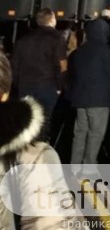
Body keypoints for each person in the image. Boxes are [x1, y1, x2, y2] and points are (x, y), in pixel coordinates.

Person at [0, 51, 76, 229]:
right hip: (46, 90)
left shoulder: (22, 43)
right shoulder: (34, 159)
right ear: (5, 94)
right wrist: (59, 87)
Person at [11, 8, 67, 141]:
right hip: (47, 87)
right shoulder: (57, 38)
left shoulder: (24, 39)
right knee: (44, 122)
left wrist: (18, 84)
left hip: (25, 86)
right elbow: (62, 66)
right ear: (52, 20)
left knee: (27, 122)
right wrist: (60, 87)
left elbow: (15, 65)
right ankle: (40, 154)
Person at [68, 18, 110, 170]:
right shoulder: (108, 52)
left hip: (79, 99)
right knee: (95, 134)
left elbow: (72, 75)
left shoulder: (78, 53)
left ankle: (74, 166)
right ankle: (89, 167)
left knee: (80, 133)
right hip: (99, 99)